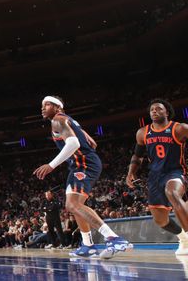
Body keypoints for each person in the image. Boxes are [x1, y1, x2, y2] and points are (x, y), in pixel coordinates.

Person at [33, 95, 132, 259]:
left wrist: (51, 165)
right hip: (80, 164)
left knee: (73, 204)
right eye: (42, 105)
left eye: (47, 104)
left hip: (84, 164)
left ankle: (115, 239)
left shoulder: (57, 119)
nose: (43, 108)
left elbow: (74, 143)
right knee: (72, 205)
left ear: (58, 107)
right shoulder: (67, 120)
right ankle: (87, 245)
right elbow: (88, 140)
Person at [126, 98, 188, 255]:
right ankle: (183, 239)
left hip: (175, 171)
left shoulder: (179, 128)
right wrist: (131, 172)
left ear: (167, 112)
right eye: (152, 109)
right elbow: (137, 156)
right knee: (160, 220)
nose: (154, 111)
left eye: (159, 109)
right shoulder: (142, 132)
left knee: (172, 192)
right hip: (154, 176)